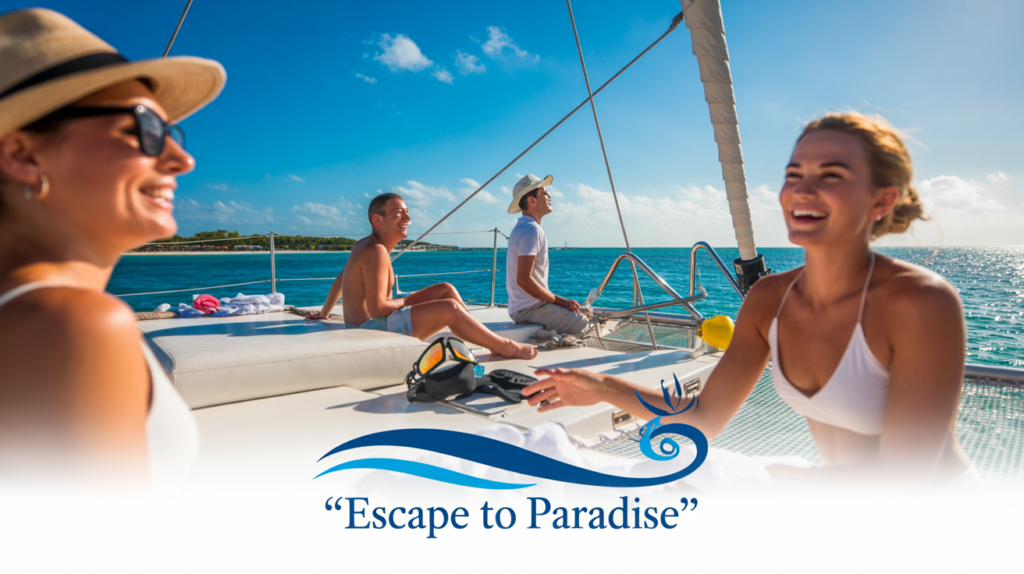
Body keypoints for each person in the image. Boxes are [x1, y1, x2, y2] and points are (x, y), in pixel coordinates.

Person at [524, 113, 979, 490]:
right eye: (794, 175)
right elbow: (704, 418)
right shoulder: (769, 299)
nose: (802, 190)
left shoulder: (920, 303)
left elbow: (909, 481)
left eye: (831, 176)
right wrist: (603, 388)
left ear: (881, 200)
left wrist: (774, 486)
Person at [0, 9, 225, 492]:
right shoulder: (72, 325)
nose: (182, 159)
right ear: (21, 154)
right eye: (143, 129)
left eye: (171, 133)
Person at [308, 192, 538, 360]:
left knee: (445, 288)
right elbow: (378, 308)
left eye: (407, 212)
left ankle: (482, 336)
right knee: (449, 307)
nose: (407, 218)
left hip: (372, 322)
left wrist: (325, 313)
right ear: (377, 220)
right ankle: (504, 347)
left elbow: (342, 278)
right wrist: (408, 301)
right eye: (399, 213)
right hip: (370, 329)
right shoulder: (375, 250)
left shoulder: (366, 246)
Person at [505, 174, 588, 335]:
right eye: (544, 192)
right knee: (583, 323)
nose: (549, 195)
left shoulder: (521, 228)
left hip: (523, 308)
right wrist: (562, 302)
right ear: (532, 200)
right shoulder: (531, 229)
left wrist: (562, 303)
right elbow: (523, 280)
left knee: (580, 312)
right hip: (530, 309)